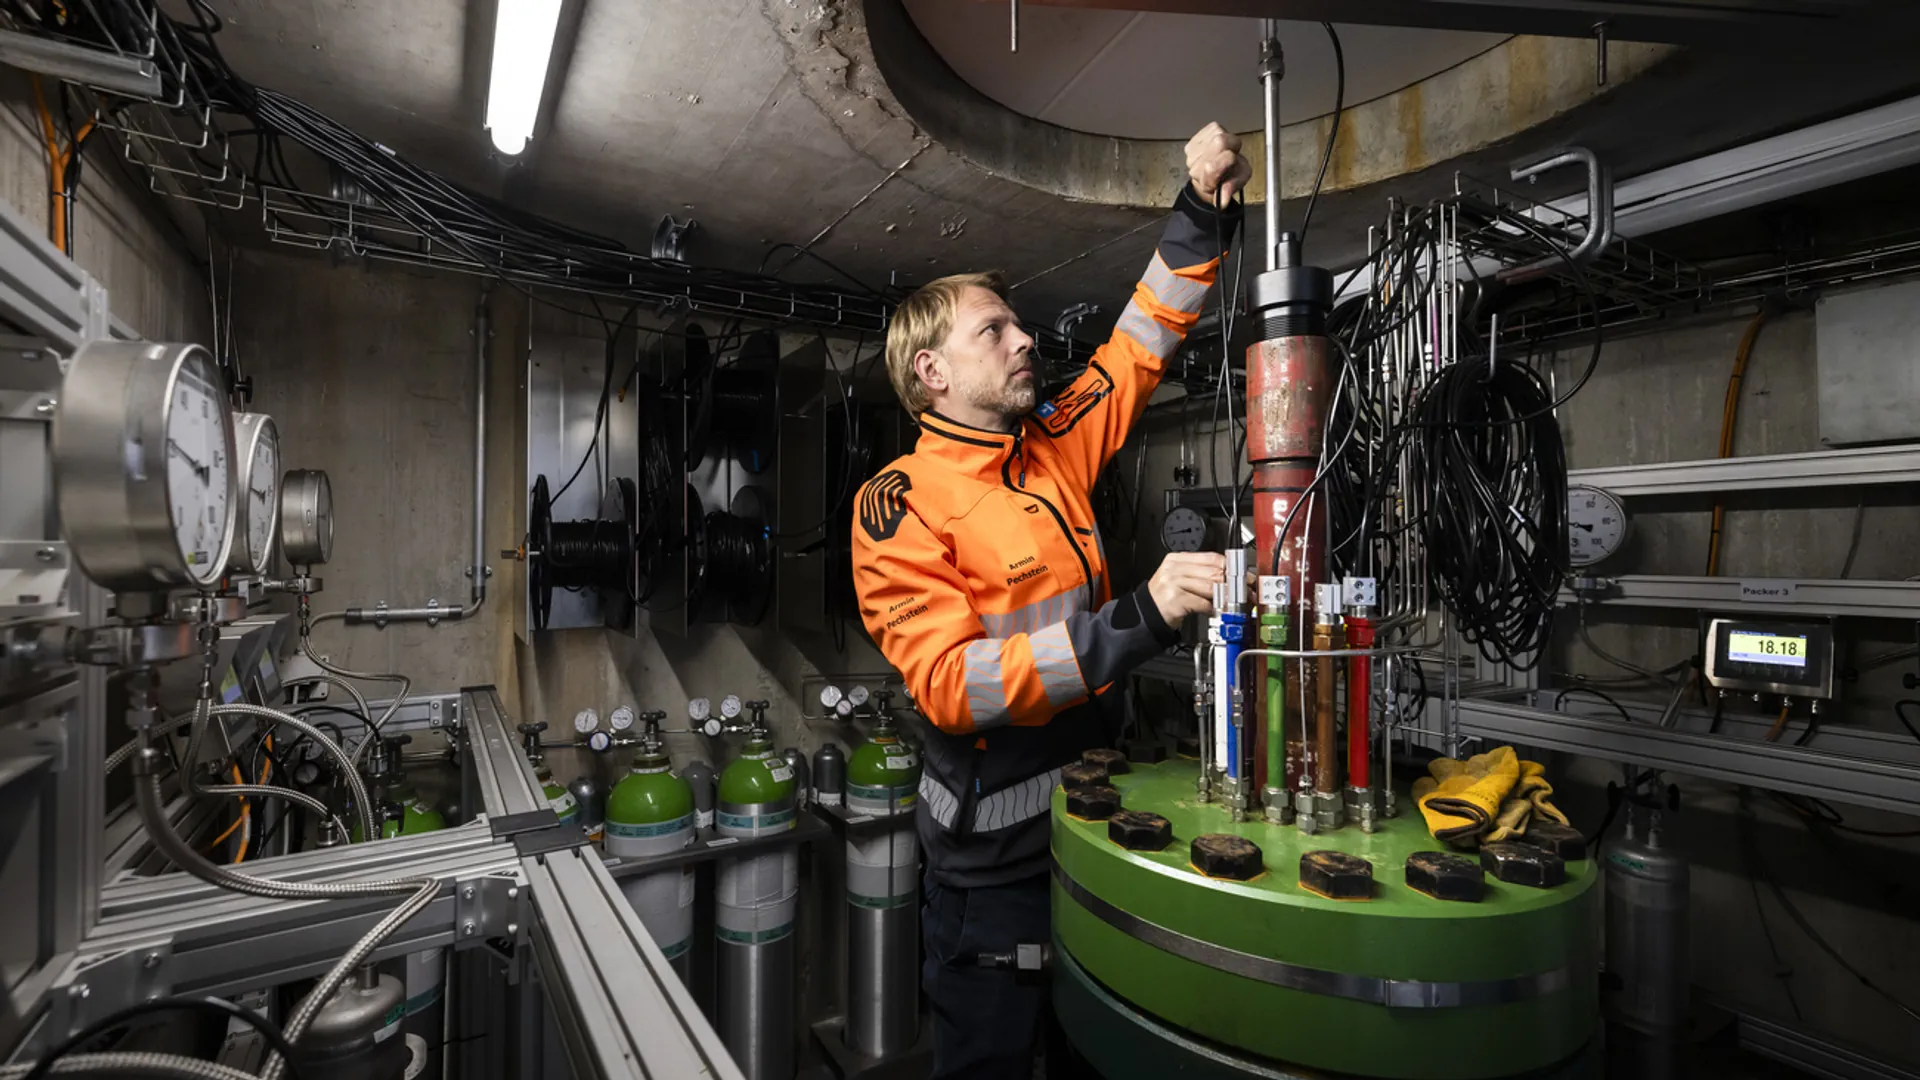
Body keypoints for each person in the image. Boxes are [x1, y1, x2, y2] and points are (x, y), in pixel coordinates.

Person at [849, 123, 1251, 1077]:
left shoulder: (1052, 447)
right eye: (994, 330)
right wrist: (1142, 616)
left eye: (1017, 323)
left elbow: (1136, 347)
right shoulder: (898, 506)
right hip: (994, 874)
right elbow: (954, 684)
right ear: (932, 374)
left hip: (1092, 826)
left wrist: (1197, 208)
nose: (1026, 337)